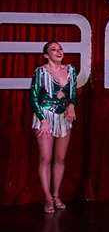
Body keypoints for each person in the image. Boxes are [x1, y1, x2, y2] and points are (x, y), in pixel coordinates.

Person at [30, 41, 77, 214]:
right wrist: (42, 119)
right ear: (46, 55)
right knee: (46, 158)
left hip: (63, 116)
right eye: (53, 49)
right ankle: (48, 198)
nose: (58, 51)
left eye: (60, 49)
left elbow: (72, 92)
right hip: (45, 116)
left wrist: (71, 105)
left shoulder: (70, 70)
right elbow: (33, 97)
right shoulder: (41, 72)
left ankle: (56, 195)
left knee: (60, 159)